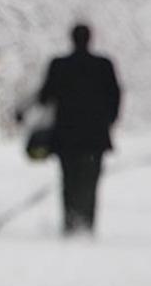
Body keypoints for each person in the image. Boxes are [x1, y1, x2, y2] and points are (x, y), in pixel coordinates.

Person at [33, 23, 121, 236]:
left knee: (68, 179)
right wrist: (108, 121)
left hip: (66, 135)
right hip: (95, 135)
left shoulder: (59, 65)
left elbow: (45, 96)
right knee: (90, 180)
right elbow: (115, 96)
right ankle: (87, 223)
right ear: (90, 38)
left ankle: (70, 222)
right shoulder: (103, 65)